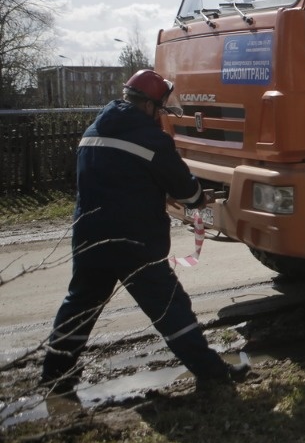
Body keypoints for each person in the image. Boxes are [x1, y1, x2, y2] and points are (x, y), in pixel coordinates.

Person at [41, 69, 250, 393]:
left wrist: (151, 192)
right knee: (169, 307)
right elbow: (186, 190)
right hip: (134, 242)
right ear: (149, 105)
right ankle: (211, 372)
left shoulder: (96, 127)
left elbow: (115, 180)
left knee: (79, 306)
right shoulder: (151, 138)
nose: (162, 115)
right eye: (161, 108)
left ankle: (55, 375)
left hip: (89, 237)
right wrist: (198, 197)